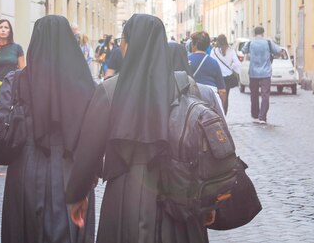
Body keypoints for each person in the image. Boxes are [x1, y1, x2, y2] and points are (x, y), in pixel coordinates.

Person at [86, 14, 212, 242]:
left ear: (129, 44)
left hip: (127, 191)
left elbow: (89, 150)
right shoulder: (187, 85)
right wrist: (207, 200)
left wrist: (77, 193)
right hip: (180, 190)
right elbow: (200, 145)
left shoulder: (109, 90)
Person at [0, 15, 98, 242]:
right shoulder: (85, 83)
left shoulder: (18, 79)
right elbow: (93, 134)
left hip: (26, 169)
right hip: (71, 173)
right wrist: (91, 173)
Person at [242, 26, 281, 124]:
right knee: (265, 95)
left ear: (254, 33)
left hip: (253, 72)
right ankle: (262, 117)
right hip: (266, 72)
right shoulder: (268, 42)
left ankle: (255, 114)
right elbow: (278, 50)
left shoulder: (251, 42)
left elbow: (243, 50)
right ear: (263, 33)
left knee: (254, 94)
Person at [188, 31, 226, 116]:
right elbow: (222, 91)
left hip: (191, 100)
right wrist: (220, 106)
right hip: (211, 98)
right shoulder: (214, 63)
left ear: (193, 45)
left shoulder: (186, 60)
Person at [210, 34, 242, 115]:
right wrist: (232, 68)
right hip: (228, 78)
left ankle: (217, 114)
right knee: (225, 97)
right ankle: (224, 115)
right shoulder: (231, 51)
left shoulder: (214, 51)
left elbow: (211, 63)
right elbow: (237, 64)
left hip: (217, 77)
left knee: (217, 97)